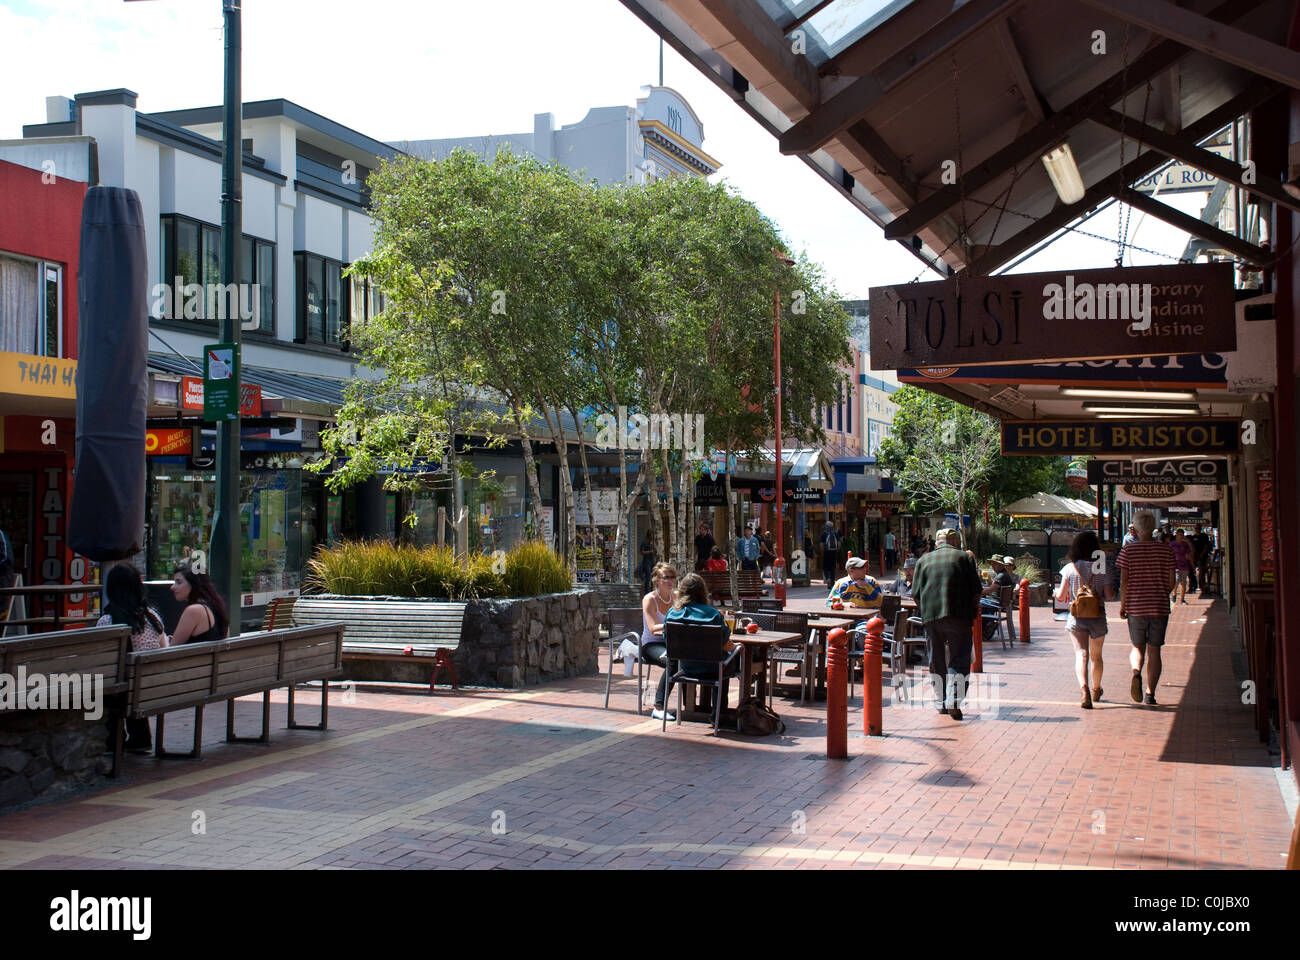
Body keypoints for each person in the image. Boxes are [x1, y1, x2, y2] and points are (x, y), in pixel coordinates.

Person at [911, 528, 982, 720]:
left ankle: (941, 701)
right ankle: (954, 700)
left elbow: (915, 593)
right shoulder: (963, 558)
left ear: (937, 543)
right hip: (959, 615)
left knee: (936, 659)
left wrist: (925, 612)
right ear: (956, 542)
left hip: (931, 617)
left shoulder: (924, 560)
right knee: (959, 659)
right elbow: (977, 590)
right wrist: (972, 612)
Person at [98, 564, 168, 753]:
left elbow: (103, 660)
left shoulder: (108, 621)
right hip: (151, 685)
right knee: (132, 679)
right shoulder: (152, 617)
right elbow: (164, 648)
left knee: (103, 685)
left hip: (123, 692)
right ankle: (141, 737)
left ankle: (111, 739)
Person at [1116, 510, 1175, 706]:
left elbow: (1124, 582)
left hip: (1135, 606)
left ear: (1136, 528)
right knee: (1155, 650)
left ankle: (1135, 672)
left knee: (1137, 646)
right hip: (1159, 606)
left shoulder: (1128, 551)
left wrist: (1124, 605)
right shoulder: (1166, 551)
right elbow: (1171, 582)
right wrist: (1161, 591)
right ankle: (1150, 693)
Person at [662, 572, 738, 716]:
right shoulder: (713, 614)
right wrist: (739, 649)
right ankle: (719, 715)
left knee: (722, 663)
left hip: (685, 667)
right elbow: (726, 644)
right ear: (703, 591)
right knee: (728, 663)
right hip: (713, 669)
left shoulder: (672, 613)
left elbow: (667, 640)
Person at [1054, 531, 1116, 709]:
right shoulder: (1101, 567)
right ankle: (1096, 689)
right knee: (1096, 657)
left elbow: (1061, 597)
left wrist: (1055, 593)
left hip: (1077, 617)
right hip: (1097, 616)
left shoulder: (1070, 568)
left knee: (1081, 654)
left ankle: (1084, 689)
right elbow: (1110, 595)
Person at [640, 562, 679, 721]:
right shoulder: (650, 599)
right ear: (657, 580)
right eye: (666, 577)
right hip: (651, 644)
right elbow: (652, 628)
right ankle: (658, 707)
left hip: (671, 641)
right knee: (673, 660)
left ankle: (695, 707)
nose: (670, 581)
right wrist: (673, 624)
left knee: (691, 656)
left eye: (672, 577)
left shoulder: (676, 597)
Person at [169, 564, 229, 645]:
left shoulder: (194, 610)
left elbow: (172, 650)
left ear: (194, 584)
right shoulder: (217, 606)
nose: (172, 587)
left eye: (179, 582)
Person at [1170, 529, 1193, 605]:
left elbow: (1189, 554)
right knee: (1176, 581)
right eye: (1178, 534)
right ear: (1176, 535)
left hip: (1184, 565)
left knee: (1183, 583)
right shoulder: (1172, 544)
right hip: (1175, 565)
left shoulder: (1185, 545)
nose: (1180, 536)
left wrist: (1192, 565)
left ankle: (1182, 599)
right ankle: (1174, 594)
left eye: (1181, 535)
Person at [820, 521, 840, 586]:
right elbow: (839, 543)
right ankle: (832, 582)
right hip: (834, 552)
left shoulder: (824, 534)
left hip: (826, 552)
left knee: (825, 567)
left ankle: (828, 578)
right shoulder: (836, 533)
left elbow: (821, 544)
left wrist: (822, 552)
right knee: (833, 568)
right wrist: (837, 550)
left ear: (826, 526)